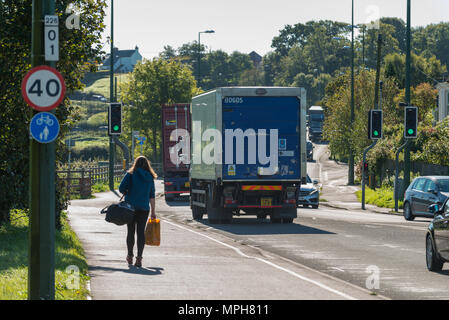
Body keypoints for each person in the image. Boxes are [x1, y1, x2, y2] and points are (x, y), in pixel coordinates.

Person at [119, 156, 157, 267]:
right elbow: (152, 195)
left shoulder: (130, 174)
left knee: (130, 231)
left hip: (130, 207)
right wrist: (153, 211)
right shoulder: (150, 177)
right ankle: (139, 258)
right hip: (144, 208)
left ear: (135, 163)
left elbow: (121, 188)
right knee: (141, 232)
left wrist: (128, 190)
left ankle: (130, 255)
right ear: (147, 165)